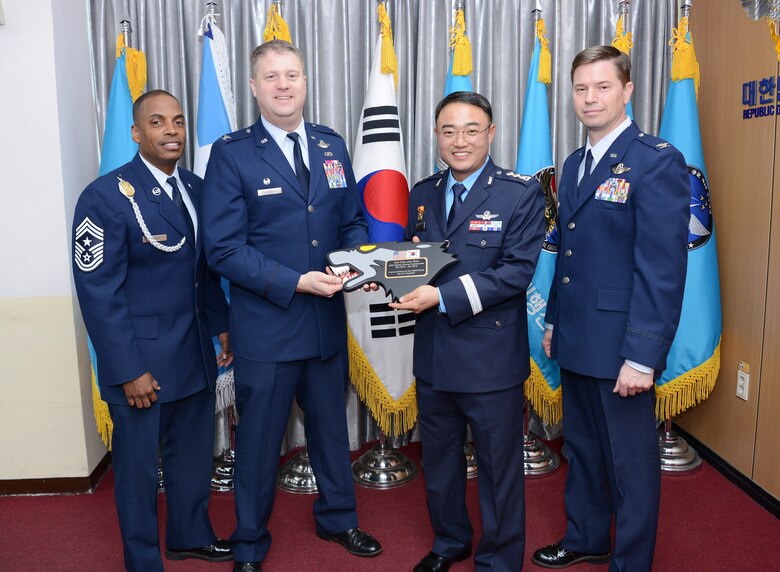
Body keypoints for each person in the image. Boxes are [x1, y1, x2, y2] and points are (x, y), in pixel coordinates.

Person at [201, 40, 381, 572]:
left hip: (326, 324)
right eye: (272, 76)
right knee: (257, 443)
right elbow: (224, 249)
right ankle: (250, 543)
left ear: (305, 82)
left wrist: (353, 262)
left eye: (293, 75)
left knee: (331, 431)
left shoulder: (332, 145)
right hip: (267, 328)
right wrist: (296, 281)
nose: (283, 85)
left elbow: (351, 220)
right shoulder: (231, 154)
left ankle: (339, 519)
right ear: (254, 87)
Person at [531, 46, 689, 571]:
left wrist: (643, 357)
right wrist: (554, 319)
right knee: (582, 449)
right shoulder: (576, 163)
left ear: (627, 90)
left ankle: (632, 561)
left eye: (602, 87)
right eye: (581, 88)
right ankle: (587, 536)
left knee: (631, 464)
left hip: (623, 343)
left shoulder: (656, 159)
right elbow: (568, 251)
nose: (590, 98)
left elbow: (662, 268)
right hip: (577, 335)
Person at [72, 90, 233, 572]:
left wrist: (222, 325)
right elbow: (98, 293)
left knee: (190, 458)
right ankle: (142, 559)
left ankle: (189, 535)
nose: (171, 131)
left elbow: (202, 270)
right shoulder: (104, 197)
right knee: (140, 472)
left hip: (194, 352)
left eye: (179, 121)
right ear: (136, 133)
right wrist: (126, 369)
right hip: (141, 362)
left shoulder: (199, 189)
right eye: (158, 122)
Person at [389, 91, 545, 572]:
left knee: (499, 470)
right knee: (439, 461)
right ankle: (450, 541)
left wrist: (440, 296)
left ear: (491, 134)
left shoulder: (520, 192)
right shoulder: (422, 192)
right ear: (436, 135)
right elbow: (418, 261)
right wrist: (389, 274)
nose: (460, 141)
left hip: (490, 357)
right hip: (434, 354)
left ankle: (499, 560)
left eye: (472, 129)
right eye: (449, 130)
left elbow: (516, 273)